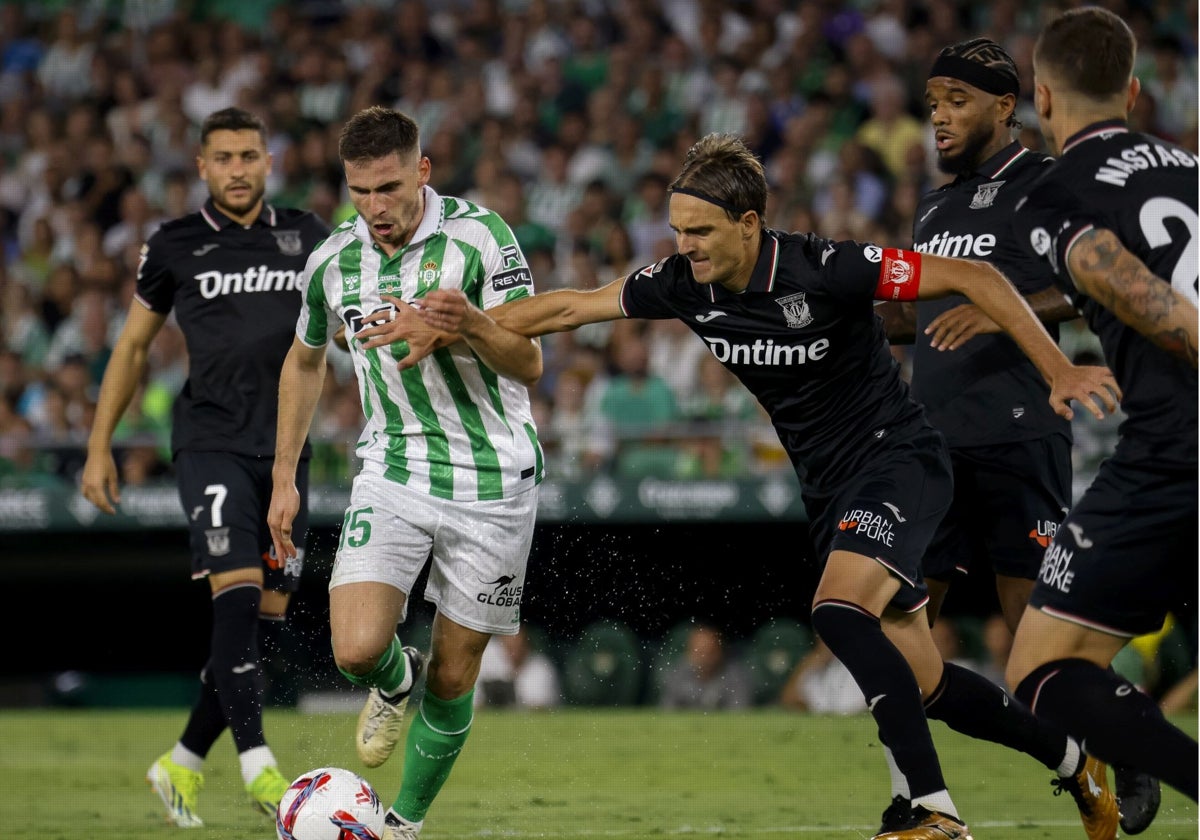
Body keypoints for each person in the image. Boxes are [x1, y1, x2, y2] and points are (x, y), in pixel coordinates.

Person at [361, 132, 1121, 840]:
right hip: (827, 487)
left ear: (750, 223)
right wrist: (458, 325)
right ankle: (1072, 763)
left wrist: (1059, 370)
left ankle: (927, 810)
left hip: (899, 460)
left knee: (838, 611)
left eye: (698, 232)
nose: (681, 247)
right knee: (923, 684)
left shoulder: (826, 267)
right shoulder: (682, 285)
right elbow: (570, 306)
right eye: (676, 230)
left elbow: (973, 275)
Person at [876, 37, 1157, 839]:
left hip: (1018, 436)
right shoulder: (936, 206)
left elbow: (1107, 276)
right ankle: (919, 805)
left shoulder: (1045, 183)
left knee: (1033, 645)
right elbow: (913, 316)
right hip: (931, 446)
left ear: (1007, 106)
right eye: (931, 103)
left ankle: (1120, 738)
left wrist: (1006, 304)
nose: (938, 118)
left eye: (957, 101)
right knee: (898, 626)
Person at [267, 106, 544, 840]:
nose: (374, 207)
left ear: (422, 171)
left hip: (493, 481)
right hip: (393, 466)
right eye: (359, 191)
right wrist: (284, 476)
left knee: (455, 680)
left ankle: (403, 826)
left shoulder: (481, 239)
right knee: (355, 648)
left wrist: (466, 323)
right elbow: (304, 358)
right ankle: (395, 677)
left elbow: (531, 361)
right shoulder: (333, 261)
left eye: (388, 187)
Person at [79, 107, 331, 826]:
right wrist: (100, 445)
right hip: (209, 442)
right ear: (201, 165)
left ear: (268, 161)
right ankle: (258, 766)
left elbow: (343, 326)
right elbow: (130, 348)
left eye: (249, 155)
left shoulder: (308, 237)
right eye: (223, 157)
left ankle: (182, 762)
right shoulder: (174, 244)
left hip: (286, 452)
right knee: (238, 599)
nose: (238, 169)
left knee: (264, 625)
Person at [1003, 5, 1199, 821]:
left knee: (1041, 672)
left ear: (1041, 98)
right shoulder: (1190, 170)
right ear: (1134, 88)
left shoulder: (1053, 189)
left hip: (1175, 451)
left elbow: (1116, 275)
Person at [659, 623, 754, 710]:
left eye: (710, 652)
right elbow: (668, 714)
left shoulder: (736, 677)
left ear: (720, 652)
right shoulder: (678, 675)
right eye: (699, 652)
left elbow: (739, 715)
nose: (704, 658)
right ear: (688, 653)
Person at [474, 623, 562, 709]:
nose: (514, 649)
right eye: (509, 644)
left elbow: (541, 709)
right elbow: (474, 703)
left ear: (527, 644)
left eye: (519, 644)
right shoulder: (488, 657)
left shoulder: (542, 668)